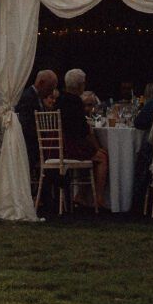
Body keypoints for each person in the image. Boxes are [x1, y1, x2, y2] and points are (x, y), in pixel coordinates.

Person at [56, 67, 108, 211]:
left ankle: (81, 195)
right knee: (102, 157)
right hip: (70, 147)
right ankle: (99, 199)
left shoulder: (59, 100)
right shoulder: (75, 102)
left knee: (91, 156)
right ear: (80, 85)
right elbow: (84, 132)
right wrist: (98, 147)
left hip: (58, 145)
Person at [16, 69, 58, 177]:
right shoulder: (28, 98)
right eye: (49, 88)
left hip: (37, 143)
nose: (50, 93)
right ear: (41, 83)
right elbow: (26, 125)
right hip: (29, 145)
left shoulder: (37, 97)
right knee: (55, 155)